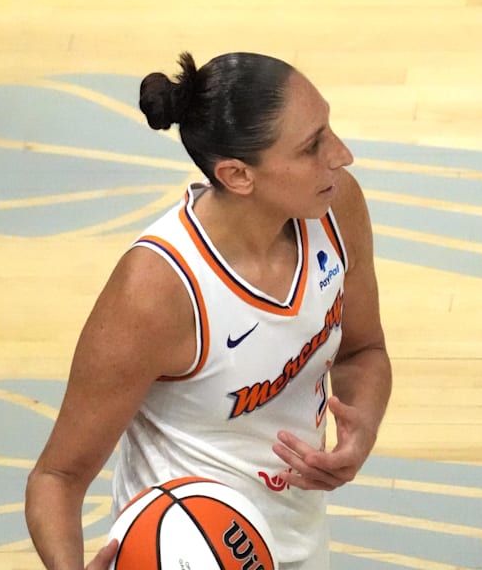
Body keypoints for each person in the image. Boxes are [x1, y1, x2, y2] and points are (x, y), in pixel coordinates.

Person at [25, 51, 393, 570]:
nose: (342, 155)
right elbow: (56, 478)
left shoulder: (334, 208)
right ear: (238, 175)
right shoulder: (156, 291)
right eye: (312, 146)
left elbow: (363, 350)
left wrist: (363, 426)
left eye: (328, 129)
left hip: (298, 540)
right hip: (186, 553)